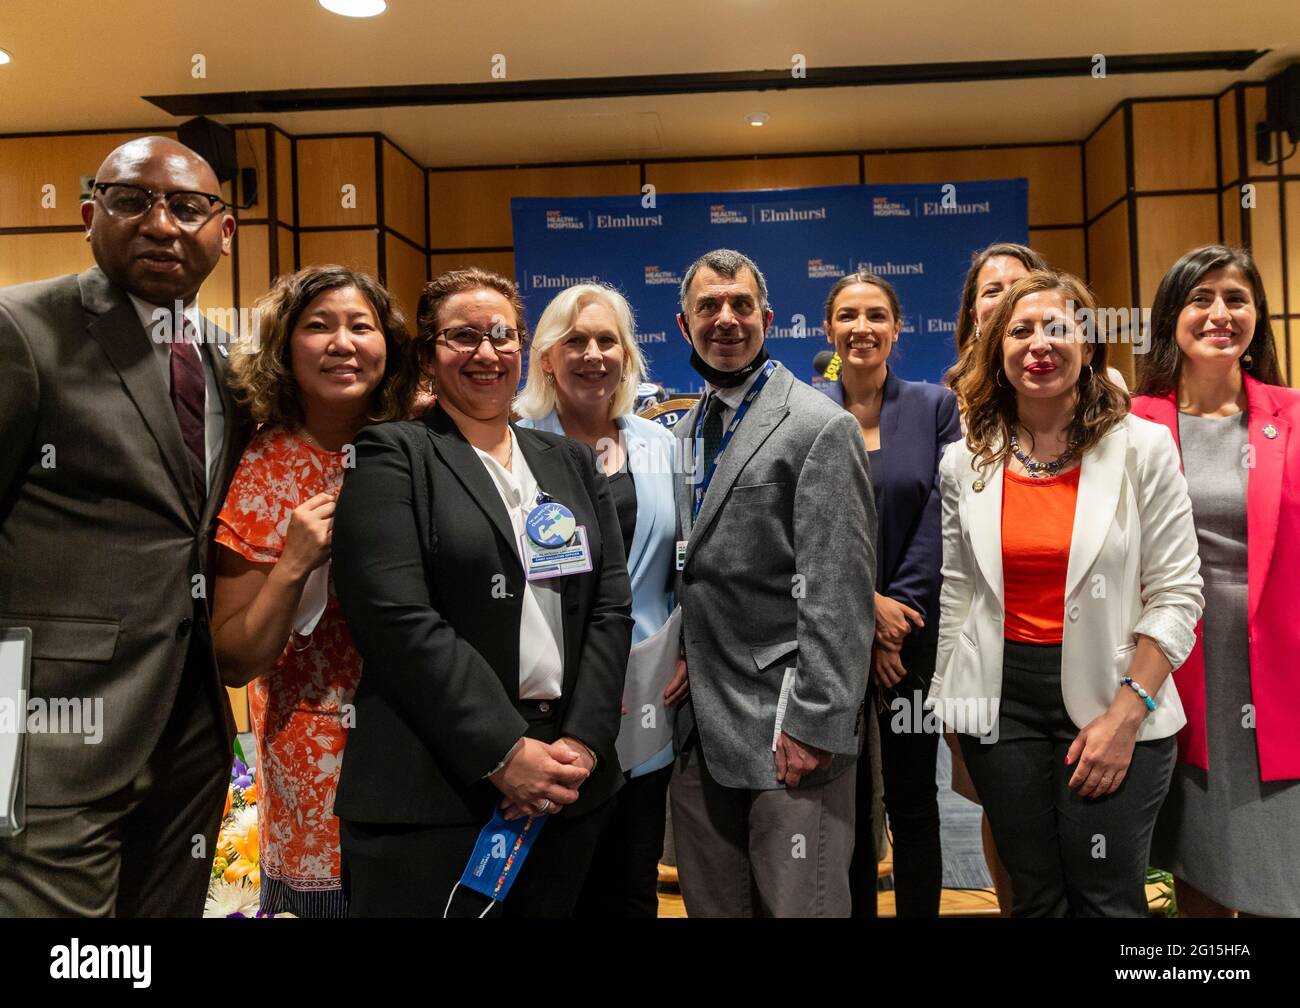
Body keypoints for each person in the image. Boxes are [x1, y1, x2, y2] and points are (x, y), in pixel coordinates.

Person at [329, 268, 633, 917]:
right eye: (463, 336)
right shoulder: (391, 455)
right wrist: (503, 750)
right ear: (427, 353)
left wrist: (580, 743)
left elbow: (610, 607)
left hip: (569, 789)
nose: (486, 352)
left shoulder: (571, 460)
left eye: (502, 335)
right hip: (436, 794)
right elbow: (396, 620)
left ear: (523, 347)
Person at [0, 137, 246, 916]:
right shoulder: (23, 329)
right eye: (133, 200)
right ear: (88, 215)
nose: (162, 223)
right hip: (52, 731)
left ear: (224, 231)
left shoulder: (223, 358)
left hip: (190, 732)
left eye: (188, 206)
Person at [935, 269, 1203, 917]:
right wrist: (955, 711)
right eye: (1020, 331)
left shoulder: (1143, 447)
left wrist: (1125, 714)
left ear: (1088, 346)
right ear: (997, 352)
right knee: (1034, 896)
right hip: (1002, 705)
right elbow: (957, 594)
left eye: (1058, 328)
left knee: (1106, 897)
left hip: (1117, 693)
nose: (1039, 344)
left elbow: (1177, 594)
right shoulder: (965, 460)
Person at [669, 248, 875, 918]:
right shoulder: (682, 431)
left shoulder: (819, 427)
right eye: (708, 307)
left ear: (768, 319)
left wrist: (816, 726)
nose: (725, 319)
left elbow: (838, 595)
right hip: (698, 729)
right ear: (683, 324)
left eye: (740, 305)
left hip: (787, 733)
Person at [211, 266, 419, 917]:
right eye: (318, 326)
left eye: (362, 326)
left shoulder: (423, 447)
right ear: (284, 346)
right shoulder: (263, 467)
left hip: (427, 748)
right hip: (315, 767)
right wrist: (294, 563)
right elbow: (235, 658)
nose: (343, 342)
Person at [1133, 245, 1300, 918]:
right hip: (1175, 664)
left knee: (1276, 867)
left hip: (1282, 672)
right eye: (1200, 299)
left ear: (1257, 317)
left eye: (1236, 299)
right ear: (1172, 317)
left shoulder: (1292, 413)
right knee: (1194, 866)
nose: (1219, 314)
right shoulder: (1133, 423)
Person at [514, 283, 679, 917]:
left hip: (647, 692)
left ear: (627, 355)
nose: (592, 355)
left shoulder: (663, 447)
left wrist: (686, 646)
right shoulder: (514, 445)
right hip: (549, 705)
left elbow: (684, 564)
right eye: (574, 341)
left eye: (606, 340)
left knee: (632, 880)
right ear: (547, 358)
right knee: (554, 886)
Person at [819, 271, 961, 917]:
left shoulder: (934, 407)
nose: (862, 328)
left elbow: (943, 515)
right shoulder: (808, 413)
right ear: (828, 330)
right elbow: (808, 529)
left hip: (913, 641)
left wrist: (894, 619)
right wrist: (864, 613)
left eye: (876, 315)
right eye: (847, 316)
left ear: (897, 328)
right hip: (832, 641)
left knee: (912, 798)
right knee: (844, 801)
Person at [942, 241, 1048, 914]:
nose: (1005, 296)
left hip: (1070, 638)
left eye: (1020, 286)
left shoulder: (1093, 393)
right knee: (1000, 804)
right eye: (991, 289)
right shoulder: (945, 402)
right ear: (973, 310)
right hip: (981, 641)